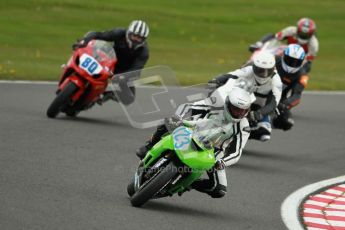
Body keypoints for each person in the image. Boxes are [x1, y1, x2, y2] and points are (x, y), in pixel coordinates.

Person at [137, 85, 253, 198]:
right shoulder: (216, 103)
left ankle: (188, 183)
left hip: (214, 151)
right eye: (235, 109)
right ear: (227, 104)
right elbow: (188, 106)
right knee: (168, 121)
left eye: (242, 111)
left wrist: (222, 162)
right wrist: (179, 117)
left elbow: (237, 151)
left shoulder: (243, 126)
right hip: (193, 130)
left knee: (219, 189)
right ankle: (149, 146)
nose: (238, 113)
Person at [208, 51, 282, 142]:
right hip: (242, 101)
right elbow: (234, 74)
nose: (264, 74)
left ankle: (241, 134)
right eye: (260, 70)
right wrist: (218, 79)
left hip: (259, 108)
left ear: (273, 69)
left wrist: (260, 113)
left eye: (268, 71)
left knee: (264, 134)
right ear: (254, 67)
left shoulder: (277, 81)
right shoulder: (249, 70)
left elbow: (273, 103)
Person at [73, 20, 150, 105]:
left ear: (144, 39)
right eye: (134, 35)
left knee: (129, 98)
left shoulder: (144, 52)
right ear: (128, 33)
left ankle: (109, 94)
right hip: (108, 61)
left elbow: (136, 71)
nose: (135, 39)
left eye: (139, 38)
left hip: (122, 72)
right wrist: (84, 42)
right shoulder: (119, 33)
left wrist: (121, 77)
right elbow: (98, 35)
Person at [249, 18, 318, 74]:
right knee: (275, 43)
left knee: (305, 71)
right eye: (301, 33)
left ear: (311, 33)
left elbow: (308, 61)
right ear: (298, 30)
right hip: (287, 52)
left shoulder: (314, 44)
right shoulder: (290, 30)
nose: (303, 36)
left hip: (299, 61)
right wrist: (263, 46)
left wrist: (301, 70)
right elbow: (275, 37)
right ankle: (257, 50)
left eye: (306, 34)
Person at [273, 44, 306, 130]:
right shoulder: (274, 60)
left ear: (301, 62)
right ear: (283, 56)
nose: (292, 64)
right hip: (261, 91)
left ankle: (265, 128)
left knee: (288, 123)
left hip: (279, 99)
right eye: (289, 60)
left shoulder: (302, 75)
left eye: (296, 62)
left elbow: (297, 95)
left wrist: (284, 105)